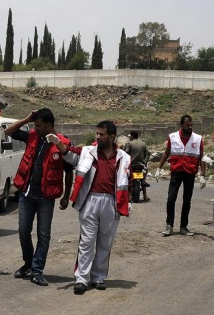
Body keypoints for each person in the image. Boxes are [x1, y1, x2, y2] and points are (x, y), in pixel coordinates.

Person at [47, 120, 132, 295]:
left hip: (111, 203)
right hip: (90, 201)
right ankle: (81, 279)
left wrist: (126, 203)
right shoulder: (87, 151)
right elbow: (71, 155)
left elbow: (127, 183)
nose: (98, 137)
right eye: (97, 134)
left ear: (112, 136)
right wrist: (58, 143)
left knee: (105, 242)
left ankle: (98, 277)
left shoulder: (124, 157)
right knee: (86, 242)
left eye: (102, 134)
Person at [4, 108, 74, 287]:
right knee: (23, 231)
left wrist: (66, 196)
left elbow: (69, 172)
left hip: (46, 198)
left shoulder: (62, 144)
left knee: (44, 235)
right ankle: (28, 264)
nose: (36, 128)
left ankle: (37, 270)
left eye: (39, 125)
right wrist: (28, 117)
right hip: (26, 194)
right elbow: (8, 131)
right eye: (35, 125)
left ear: (49, 125)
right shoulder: (32, 136)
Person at [155, 115, 207, 236]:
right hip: (176, 171)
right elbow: (166, 152)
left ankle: (184, 226)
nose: (190, 127)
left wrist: (203, 175)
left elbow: (201, 157)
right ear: (181, 125)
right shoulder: (173, 137)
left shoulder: (198, 138)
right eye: (187, 125)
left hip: (190, 172)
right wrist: (159, 168)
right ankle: (169, 225)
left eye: (191, 125)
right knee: (171, 198)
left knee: (187, 200)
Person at [124, 130, 151, 201]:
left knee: (126, 179)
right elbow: (148, 153)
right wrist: (145, 162)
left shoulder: (129, 144)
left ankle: (128, 195)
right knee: (143, 179)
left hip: (131, 165)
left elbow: (126, 153)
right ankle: (145, 196)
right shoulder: (143, 144)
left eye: (130, 136)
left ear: (132, 136)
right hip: (141, 165)